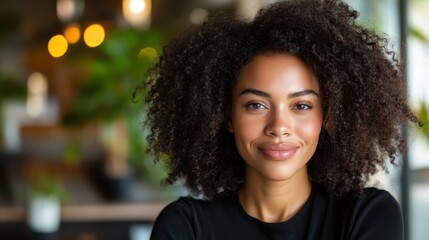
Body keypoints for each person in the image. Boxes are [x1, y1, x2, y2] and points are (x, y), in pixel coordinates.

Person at [139, 0, 423, 239]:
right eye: (256, 105)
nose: (279, 127)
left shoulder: (367, 215)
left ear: (328, 116)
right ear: (226, 116)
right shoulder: (186, 227)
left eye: (301, 105)